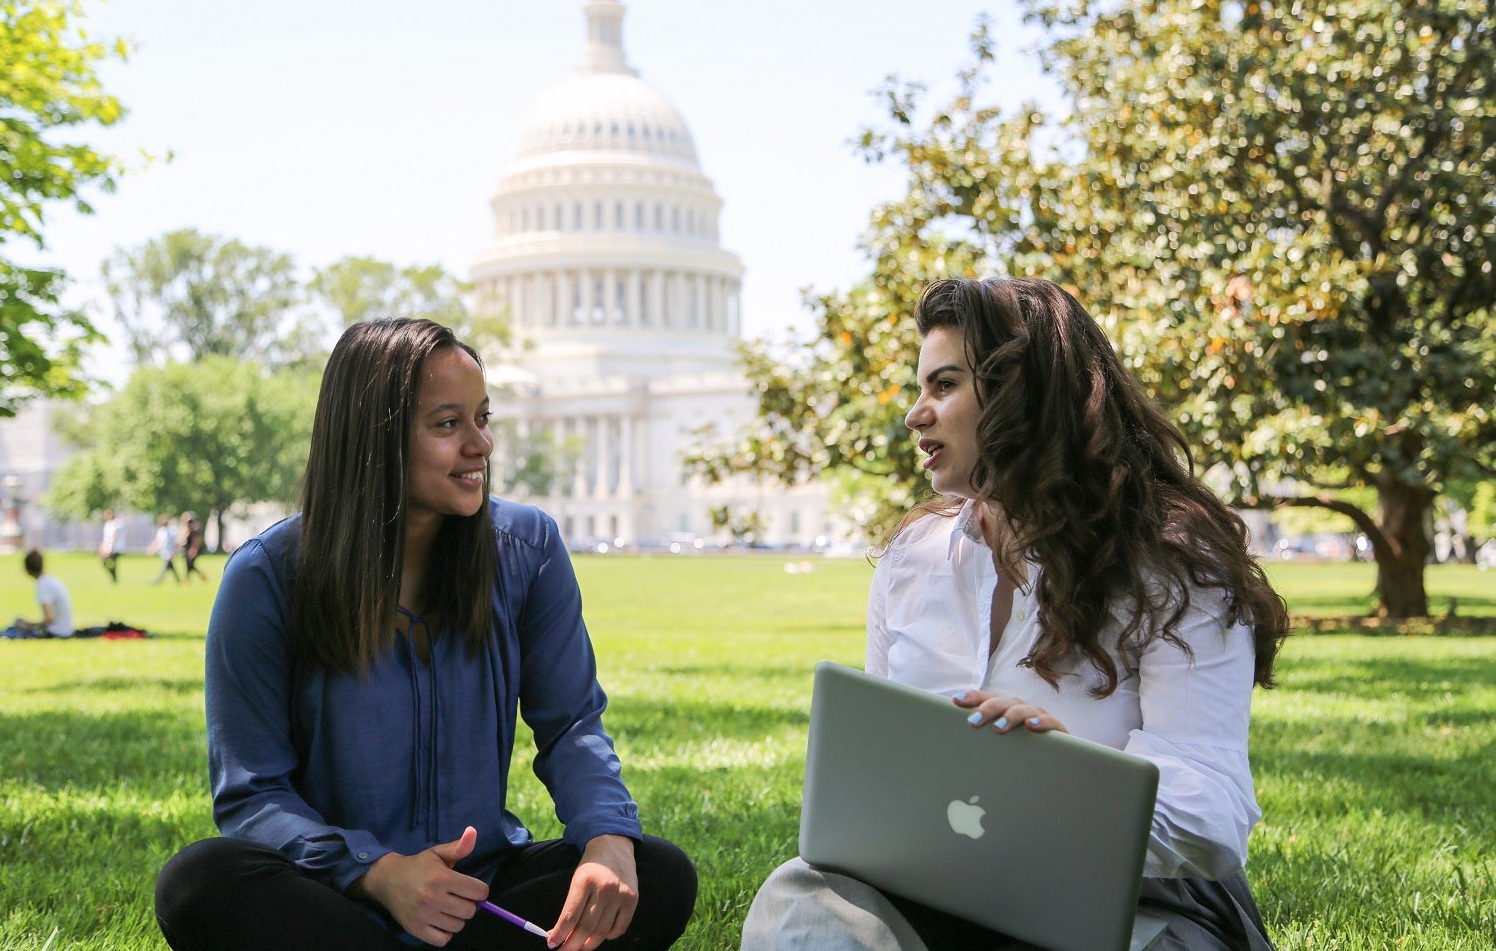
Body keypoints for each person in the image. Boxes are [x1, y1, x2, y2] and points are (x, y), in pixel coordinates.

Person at [742, 277, 1289, 951]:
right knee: (801, 892)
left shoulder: (1175, 566)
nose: (916, 414)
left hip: (1125, 907)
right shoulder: (910, 558)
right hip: (938, 887)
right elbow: (878, 773)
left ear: (1019, 395)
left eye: (943, 387)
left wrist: (1059, 785)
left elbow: (1214, 818)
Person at [154, 318, 696, 951]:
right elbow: (253, 794)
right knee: (199, 881)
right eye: (448, 425)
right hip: (337, 897)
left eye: (482, 419)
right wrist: (378, 874)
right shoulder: (267, 576)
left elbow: (572, 725)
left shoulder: (528, 549)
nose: (481, 446)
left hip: (482, 897)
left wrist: (607, 838)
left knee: (657, 873)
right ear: (373, 440)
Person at [1, 550, 75, 639]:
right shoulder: (51, 580)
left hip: (56, 632)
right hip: (65, 630)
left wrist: (28, 625)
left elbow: (50, 618)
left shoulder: (43, 585)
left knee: (9, 632)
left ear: (27, 568)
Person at [148, 514, 180, 584]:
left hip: (170, 553)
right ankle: (179, 581)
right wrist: (152, 548)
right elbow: (158, 541)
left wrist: (174, 553)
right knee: (171, 567)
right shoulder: (161, 531)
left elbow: (175, 543)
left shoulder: (172, 531)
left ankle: (157, 581)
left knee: (165, 568)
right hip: (164, 552)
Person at [99, 508, 126, 583]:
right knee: (105, 563)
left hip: (116, 548)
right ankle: (114, 577)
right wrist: (102, 546)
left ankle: (115, 578)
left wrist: (110, 549)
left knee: (110, 562)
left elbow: (115, 537)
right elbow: (106, 537)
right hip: (108, 547)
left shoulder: (117, 523)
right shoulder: (107, 524)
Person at [179, 511, 208, 582]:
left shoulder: (193, 528)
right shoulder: (187, 527)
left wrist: (193, 549)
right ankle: (189, 579)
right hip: (187, 548)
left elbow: (195, 540)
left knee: (190, 564)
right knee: (188, 564)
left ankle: (198, 577)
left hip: (191, 549)